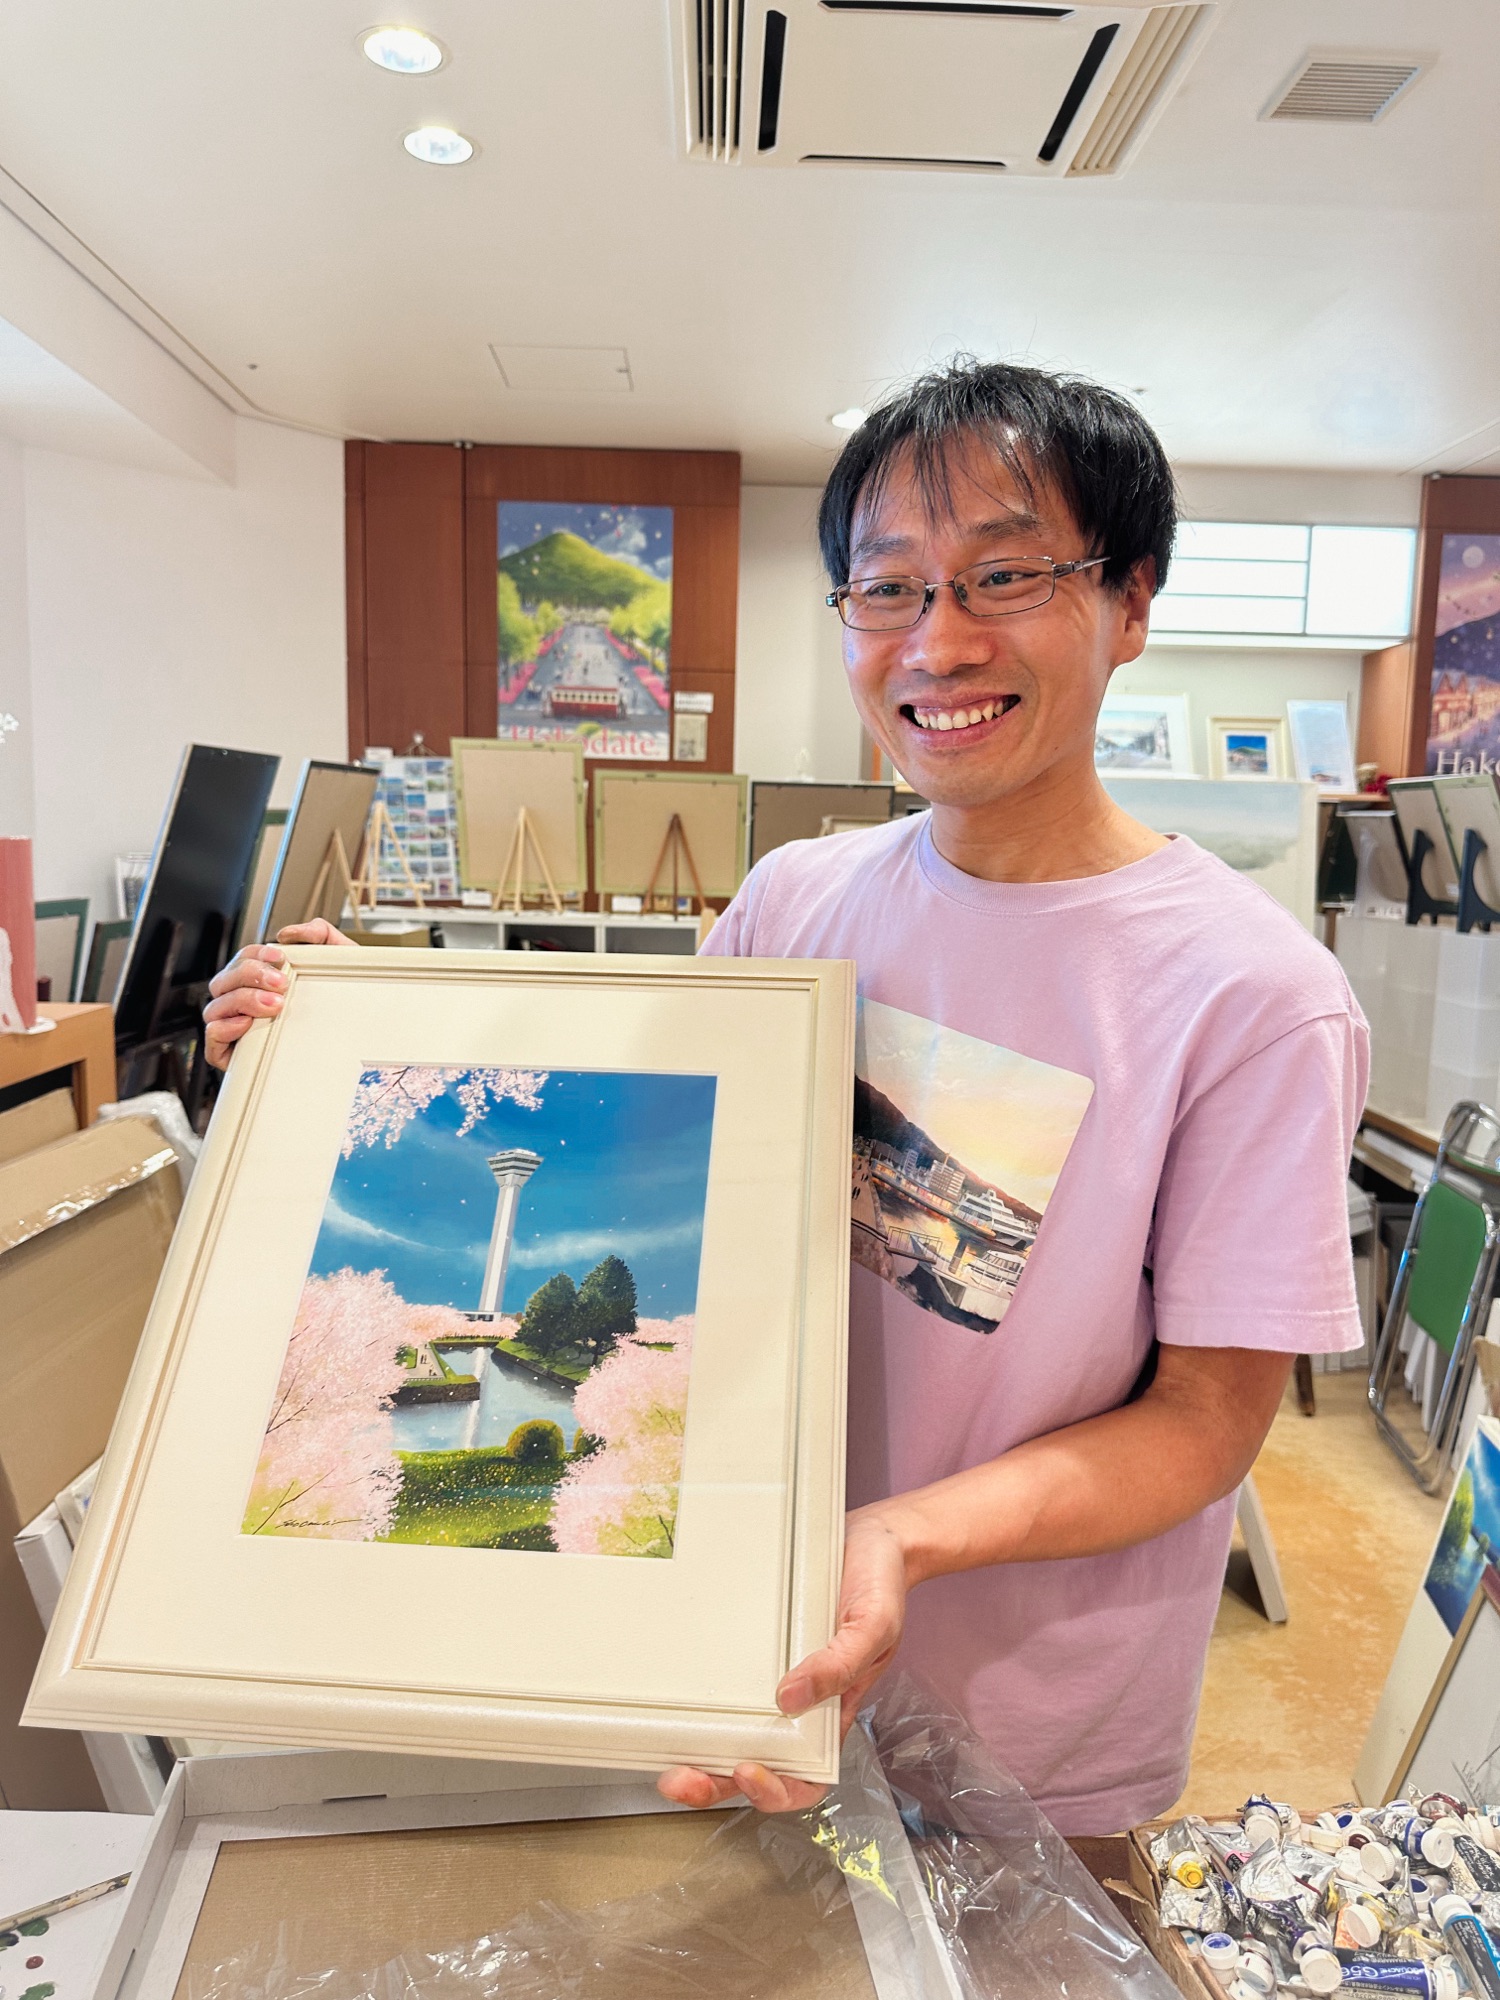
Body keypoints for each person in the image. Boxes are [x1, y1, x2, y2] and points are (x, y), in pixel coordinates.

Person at [205, 360, 1367, 1836]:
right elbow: (626, 1145)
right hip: (737, 1661)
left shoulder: (1252, 994)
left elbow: (1208, 1420)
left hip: (1034, 1731)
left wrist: (896, 1539)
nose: (937, 642)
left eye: (1002, 576)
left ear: (1130, 601)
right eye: (886, 589)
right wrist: (329, 1050)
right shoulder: (792, 898)